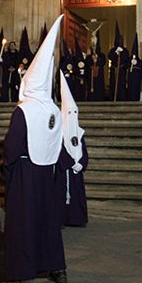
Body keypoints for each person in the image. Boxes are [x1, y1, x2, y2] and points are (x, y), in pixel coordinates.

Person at [0, 14, 67, 283]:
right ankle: (57, 267)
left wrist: (7, 171)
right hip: (47, 171)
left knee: (22, 223)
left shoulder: (24, 110)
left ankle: (23, 276)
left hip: (25, 171)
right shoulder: (53, 109)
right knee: (48, 220)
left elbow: (13, 145)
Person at [55, 71, 89, 227]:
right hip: (64, 171)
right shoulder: (60, 132)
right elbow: (59, 150)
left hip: (76, 171)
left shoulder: (79, 132)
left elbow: (84, 150)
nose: (73, 115)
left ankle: (77, 218)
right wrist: (70, 163)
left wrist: (81, 163)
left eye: (75, 112)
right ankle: (61, 218)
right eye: (70, 112)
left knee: (77, 193)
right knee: (60, 193)